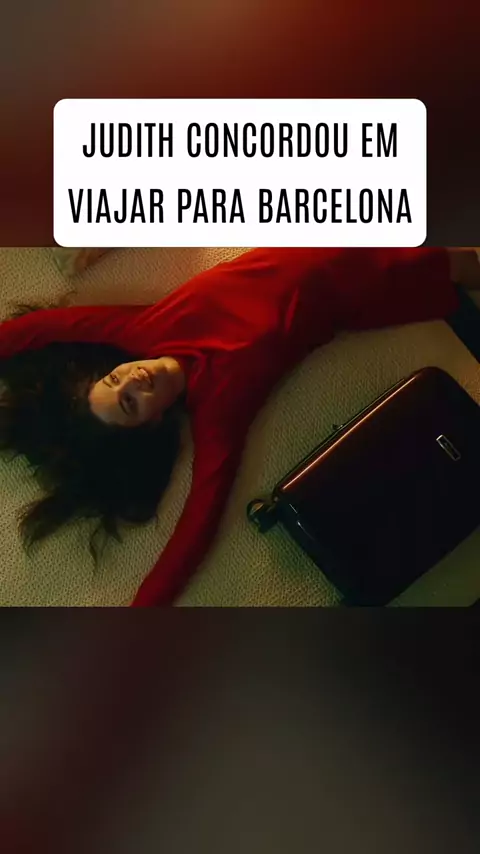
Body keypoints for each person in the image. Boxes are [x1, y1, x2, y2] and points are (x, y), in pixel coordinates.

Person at [0, 247, 479, 606]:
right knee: (453, 268)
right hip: (352, 293)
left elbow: (38, 330)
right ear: (151, 424)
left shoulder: (143, 329)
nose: (132, 380)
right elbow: (196, 530)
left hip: (309, 245)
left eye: (113, 378)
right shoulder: (219, 416)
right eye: (129, 403)